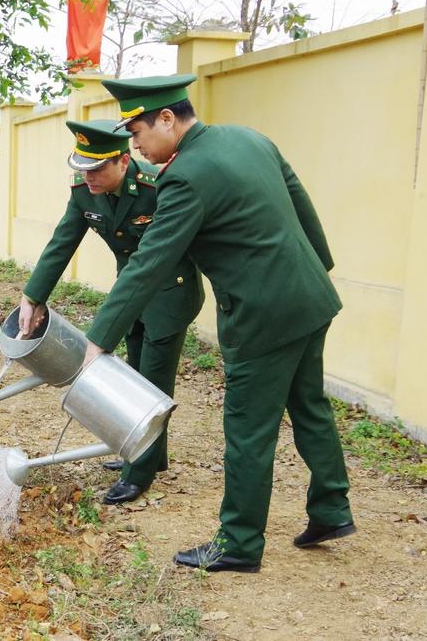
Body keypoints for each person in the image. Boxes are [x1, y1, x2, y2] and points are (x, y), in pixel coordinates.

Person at [79, 73, 353, 573]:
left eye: (137, 133)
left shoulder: (184, 177)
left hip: (260, 316)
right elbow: (302, 206)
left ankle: (240, 543)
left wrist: (99, 340)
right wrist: (319, 268)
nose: (134, 144)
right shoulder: (249, 137)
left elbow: (150, 261)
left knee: (248, 429)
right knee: (309, 404)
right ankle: (332, 507)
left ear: (167, 118)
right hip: (309, 299)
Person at [18, 119, 203, 505]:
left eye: (97, 169)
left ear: (122, 161)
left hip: (170, 294)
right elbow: (62, 242)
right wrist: (33, 297)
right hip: (129, 295)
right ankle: (153, 455)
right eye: (82, 169)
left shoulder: (159, 184)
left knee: (153, 383)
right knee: (134, 373)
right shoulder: (85, 193)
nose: (88, 178)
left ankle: (140, 473)